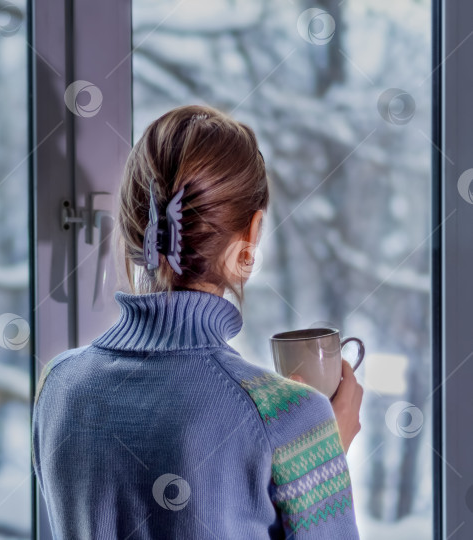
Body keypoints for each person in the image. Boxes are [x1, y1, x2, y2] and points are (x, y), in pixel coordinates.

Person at [31, 105, 364, 539]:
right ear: (253, 233)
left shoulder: (59, 385)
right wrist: (317, 463)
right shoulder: (287, 415)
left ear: (133, 227)